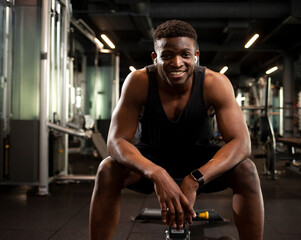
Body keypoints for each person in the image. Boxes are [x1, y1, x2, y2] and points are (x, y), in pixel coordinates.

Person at [89, 19, 264, 240]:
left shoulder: (214, 83)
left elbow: (241, 143)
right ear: (155, 57)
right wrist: (157, 173)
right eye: (167, 55)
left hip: (201, 163)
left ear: (196, 56)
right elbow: (116, 141)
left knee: (246, 170)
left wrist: (195, 179)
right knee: (107, 169)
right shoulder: (139, 81)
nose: (177, 62)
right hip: (152, 158)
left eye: (185, 54)